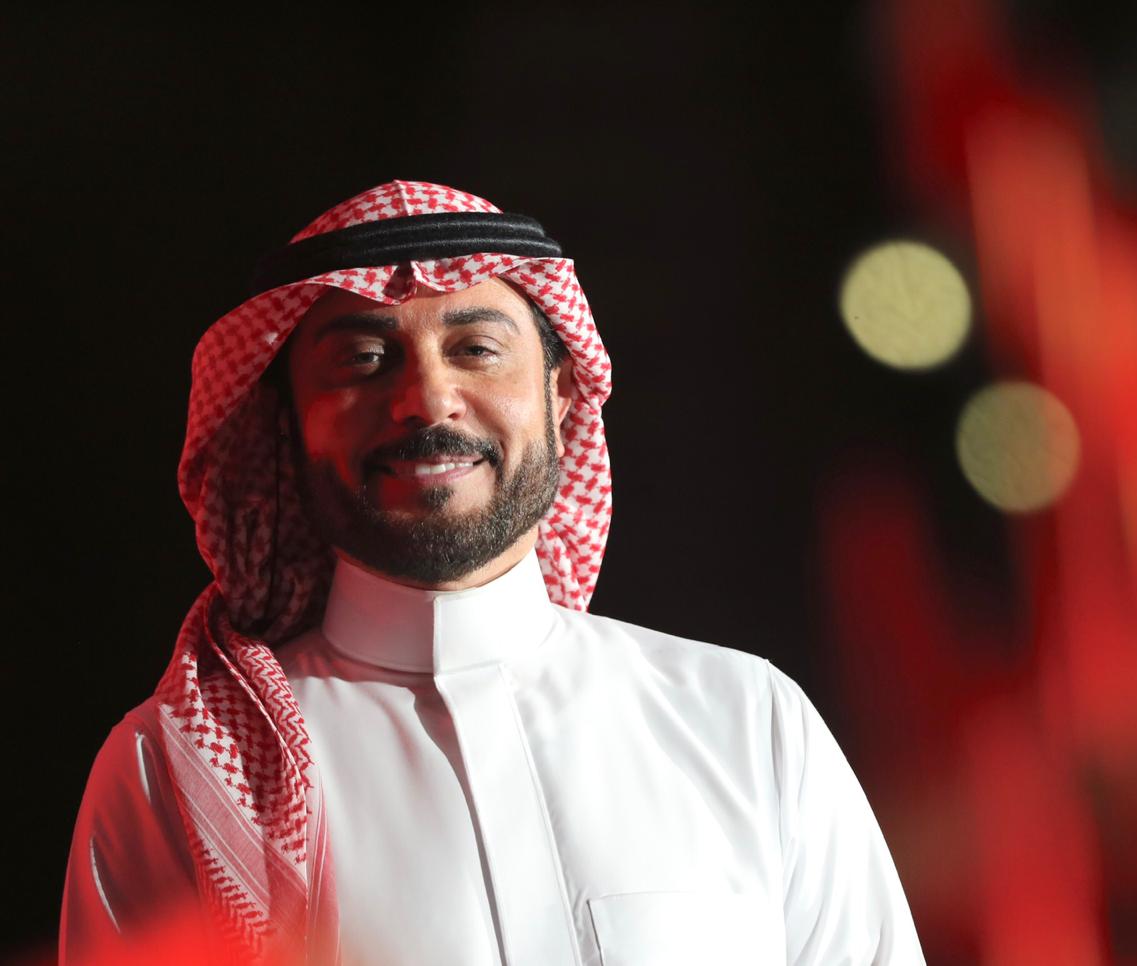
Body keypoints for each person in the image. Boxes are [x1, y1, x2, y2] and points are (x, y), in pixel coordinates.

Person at [60, 181, 925, 965]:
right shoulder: (171, 772)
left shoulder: (746, 721)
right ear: (286, 427)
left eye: (475, 349)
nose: (426, 400)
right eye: (363, 360)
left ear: (560, 394)